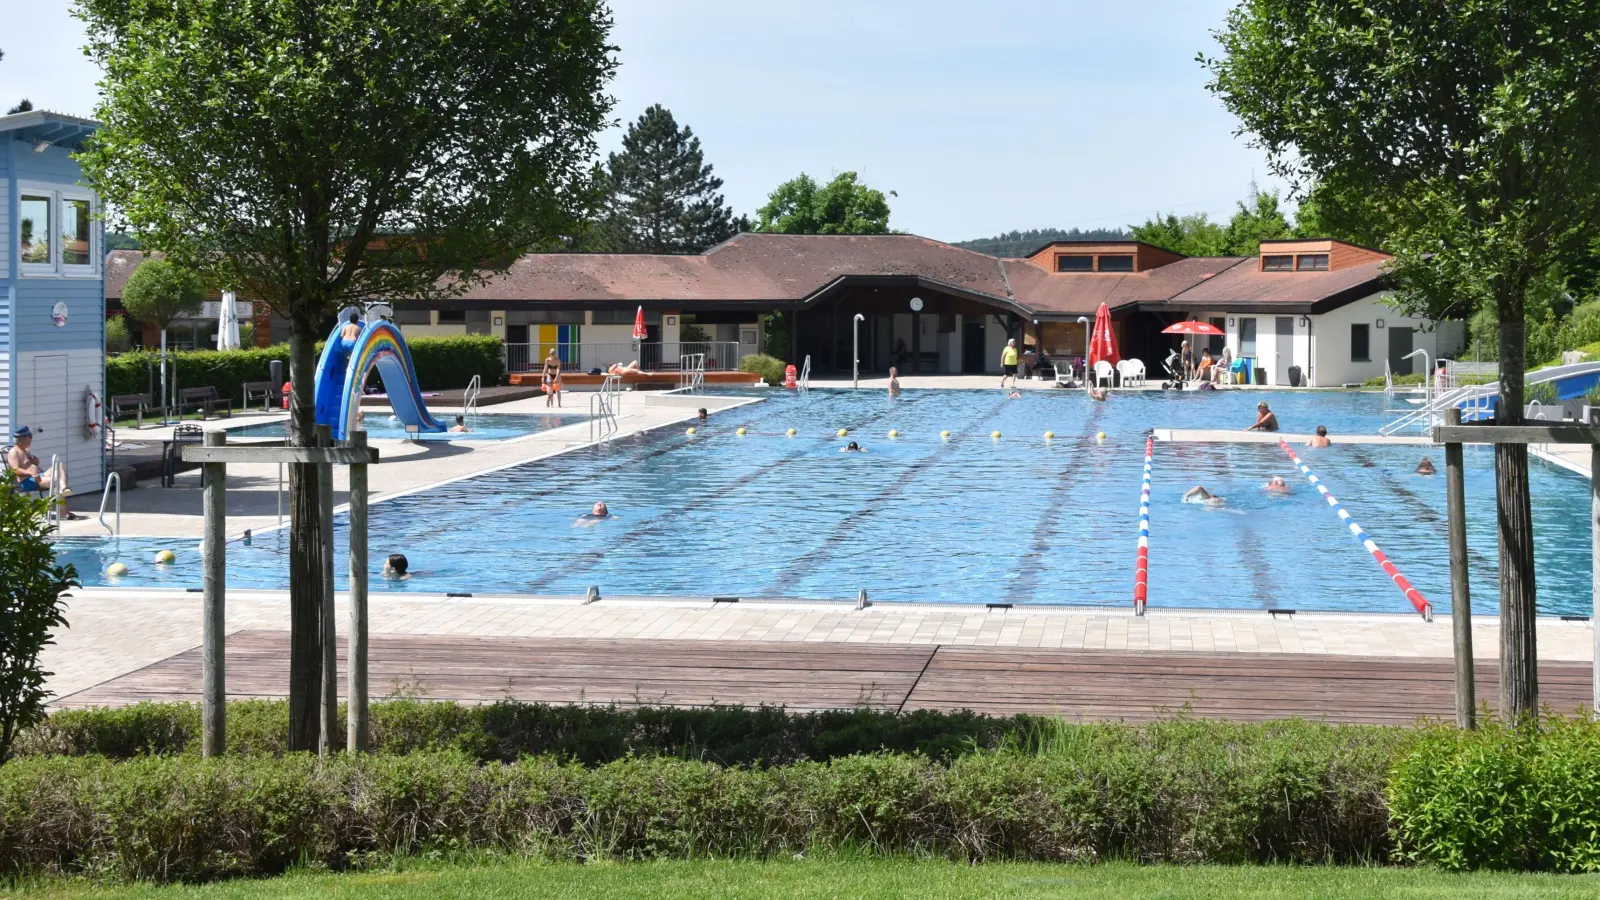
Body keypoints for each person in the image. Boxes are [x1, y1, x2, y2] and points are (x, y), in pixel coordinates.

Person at [6, 426, 51, 492]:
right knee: (54, 480)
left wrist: (30, 456)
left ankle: (63, 490)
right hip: (27, 481)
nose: (31, 439)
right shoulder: (14, 452)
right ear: (21, 439)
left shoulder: (25, 450)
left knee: (59, 467)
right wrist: (31, 473)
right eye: (29, 437)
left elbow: (36, 463)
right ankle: (58, 498)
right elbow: (15, 470)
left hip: (38, 476)